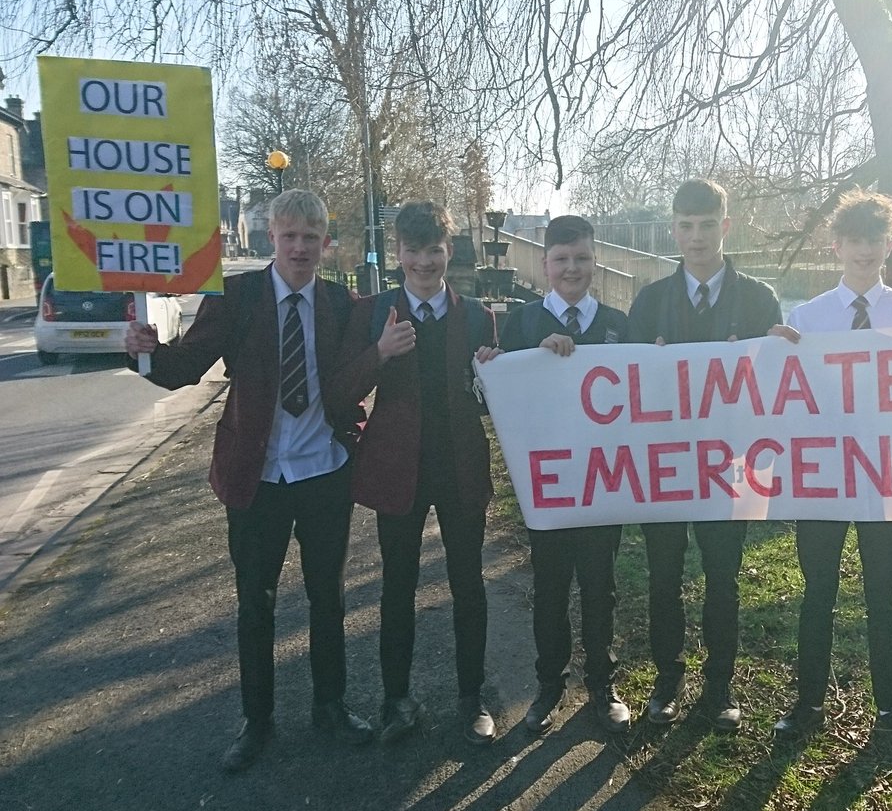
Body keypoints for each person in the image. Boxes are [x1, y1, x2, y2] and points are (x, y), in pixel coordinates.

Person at [125, 189, 372, 773]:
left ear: (325, 243)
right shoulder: (237, 296)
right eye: (290, 237)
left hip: (323, 473)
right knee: (254, 604)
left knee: (327, 598)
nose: (301, 248)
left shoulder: (340, 304)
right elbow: (186, 367)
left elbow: (355, 376)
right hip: (255, 476)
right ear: (272, 239)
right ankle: (257, 722)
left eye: (312, 238)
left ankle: (330, 706)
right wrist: (145, 353)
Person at [771, 190, 892, 762]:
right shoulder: (806, 318)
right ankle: (807, 705)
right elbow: (784, 398)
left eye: (876, 239)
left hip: (888, 477)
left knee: (883, 596)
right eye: (855, 239)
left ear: (890, 244)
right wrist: (772, 358)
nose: (865, 250)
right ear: (836, 244)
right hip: (822, 477)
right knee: (817, 593)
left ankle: (890, 714)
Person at [330, 201, 501, 746]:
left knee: (468, 584)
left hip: (460, 467)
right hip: (398, 471)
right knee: (397, 588)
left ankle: (472, 699)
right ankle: (396, 699)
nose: (423, 262)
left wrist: (496, 379)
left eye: (434, 250)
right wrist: (378, 354)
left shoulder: (476, 314)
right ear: (397, 251)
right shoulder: (373, 310)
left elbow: (496, 401)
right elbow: (339, 393)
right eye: (413, 250)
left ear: (449, 250)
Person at [626, 178, 782, 731]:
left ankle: (719, 688)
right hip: (665, 465)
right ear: (673, 229)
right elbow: (626, 387)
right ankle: (667, 683)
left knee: (723, 577)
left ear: (726, 226)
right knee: (663, 576)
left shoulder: (761, 299)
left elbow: (781, 384)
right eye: (686, 226)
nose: (696, 238)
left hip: (732, 463)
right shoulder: (647, 301)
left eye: (707, 225)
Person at [498, 215, 631, 736]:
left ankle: (603, 684)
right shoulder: (521, 322)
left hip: (606, 482)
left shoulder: (620, 324)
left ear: (594, 261)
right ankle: (549, 684)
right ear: (545, 264)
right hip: (548, 484)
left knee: (602, 587)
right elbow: (502, 396)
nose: (571, 268)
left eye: (581, 258)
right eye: (561, 259)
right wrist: (518, 360)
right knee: (550, 588)